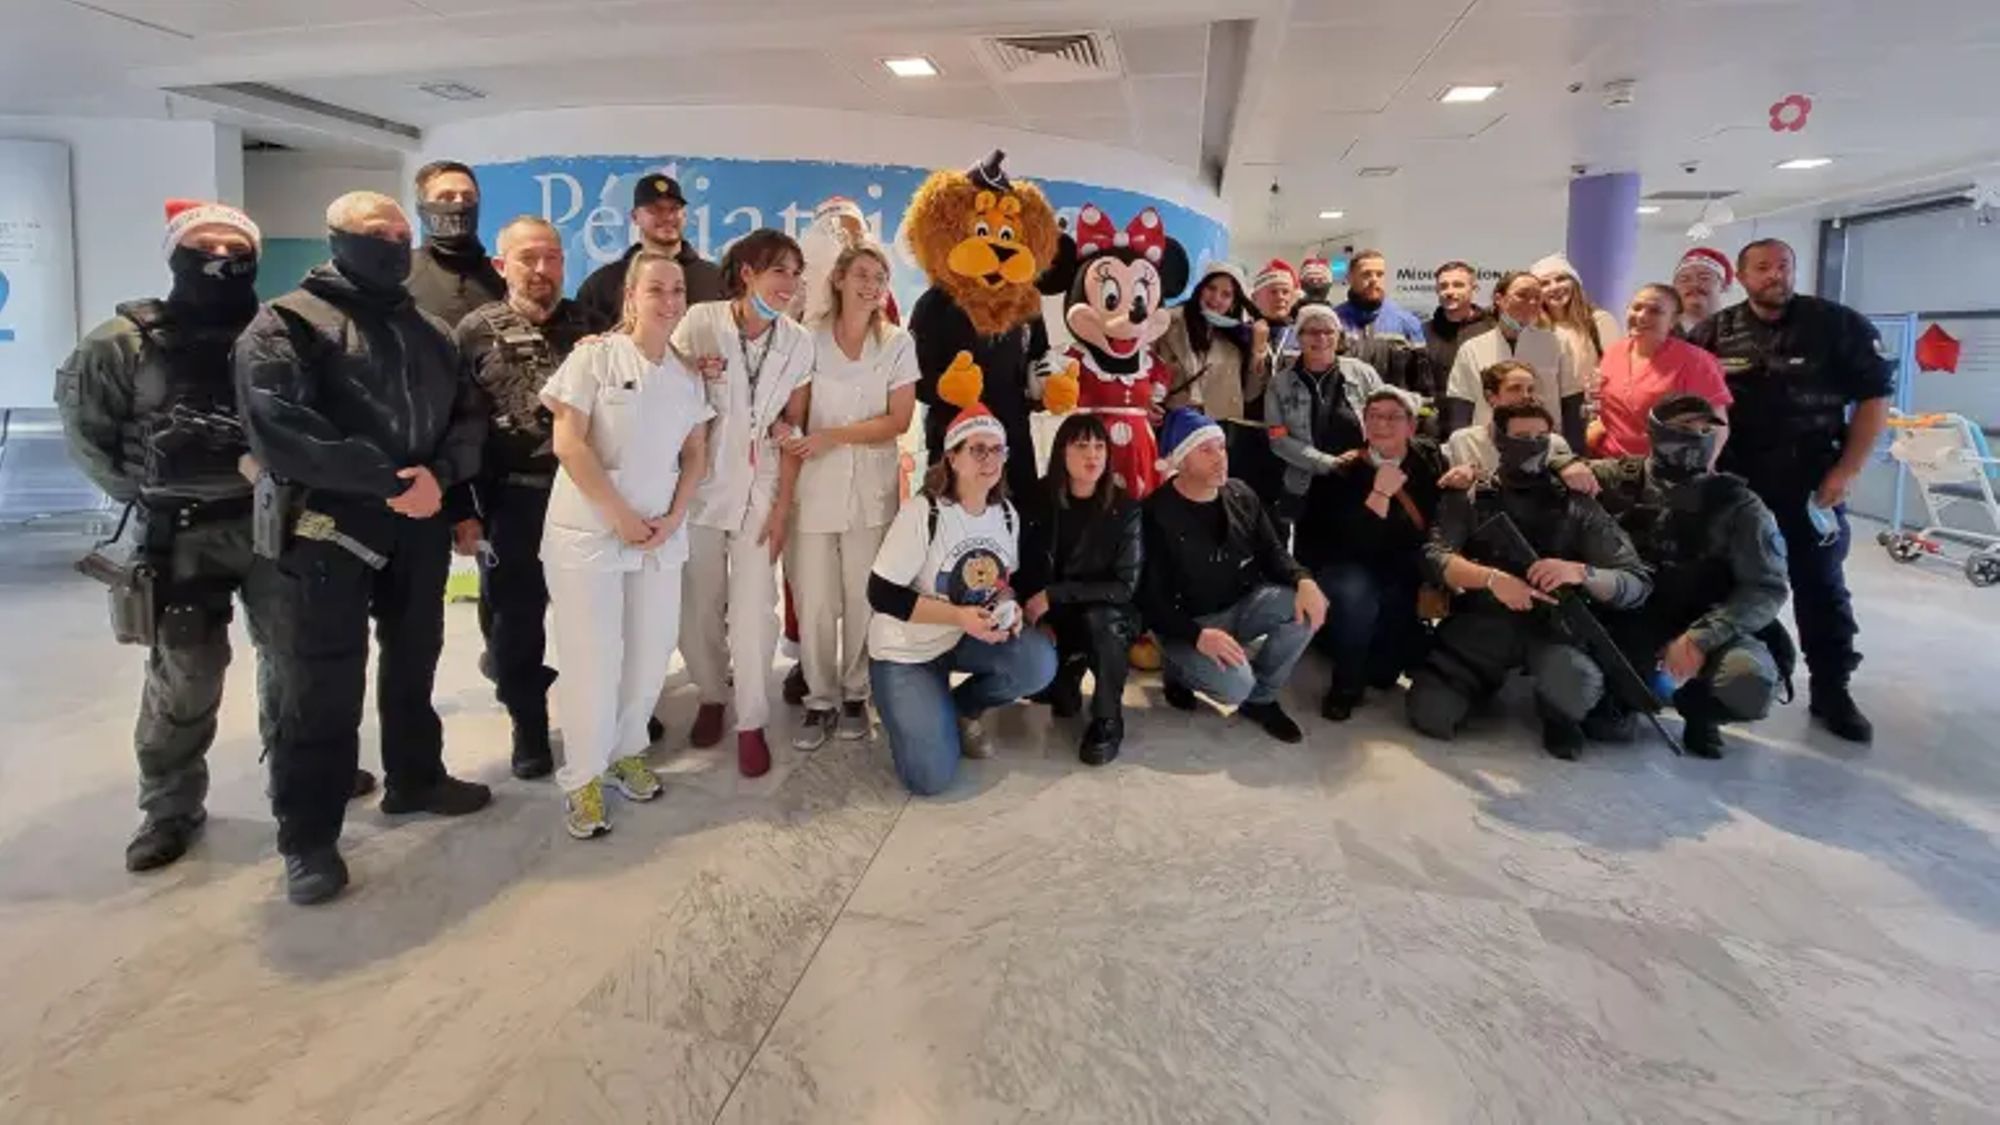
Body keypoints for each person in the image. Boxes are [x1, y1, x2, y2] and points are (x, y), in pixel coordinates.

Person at [235, 191, 491, 905]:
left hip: (419, 521)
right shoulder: (286, 323)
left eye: (402, 234)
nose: (394, 244)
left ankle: (416, 778)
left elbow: (467, 415)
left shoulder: (430, 330)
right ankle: (309, 837)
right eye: (378, 233)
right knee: (321, 684)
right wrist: (387, 481)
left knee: (415, 661)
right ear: (338, 239)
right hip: (328, 528)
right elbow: (280, 427)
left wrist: (439, 476)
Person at [54, 199, 306, 873]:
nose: (221, 260)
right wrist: (145, 491)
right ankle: (169, 808)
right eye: (205, 248)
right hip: (180, 534)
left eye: (236, 249)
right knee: (185, 673)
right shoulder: (121, 342)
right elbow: (87, 433)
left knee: (295, 661)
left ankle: (302, 780)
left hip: (272, 525)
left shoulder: (284, 332)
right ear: (175, 255)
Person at [1687, 238, 1891, 743]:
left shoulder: (1836, 325)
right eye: (1762, 267)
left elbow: (1874, 398)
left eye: (1783, 266)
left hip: (1810, 483)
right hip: (1737, 485)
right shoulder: (1714, 332)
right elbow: (1694, 405)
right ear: (1742, 276)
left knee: (1819, 586)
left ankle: (1831, 689)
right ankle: (1724, 689)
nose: (1775, 275)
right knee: (1724, 585)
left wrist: (1848, 470)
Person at [540, 250, 712, 837]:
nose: (669, 300)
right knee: (593, 658)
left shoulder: (687, 374)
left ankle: (626, 752)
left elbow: (696, 453)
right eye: (655, 289)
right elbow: (568, 443)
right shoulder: (594, 358)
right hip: (591, 532)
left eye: (677, 290)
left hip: (659, 534)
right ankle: (583, 778)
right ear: (631, 297)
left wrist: (674, 516)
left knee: (649, 652)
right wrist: (618, 516)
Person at [1407, 401, 1652, 759]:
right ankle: (1481, 686)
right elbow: (1435, 556)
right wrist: (1491, 579)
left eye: (1541, 436)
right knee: (1432, 713)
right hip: (1482, 624)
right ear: (1497, 438)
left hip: (1551, 628)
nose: (1533, 445)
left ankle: (1555, 711)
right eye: (1522, 436)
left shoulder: (1576, 504)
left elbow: (1634, 580)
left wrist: (1580, 572)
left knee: (1577, 683)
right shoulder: (1472, 494)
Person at [452, 216, 596, 779]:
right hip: (512, 501)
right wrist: (462, 510)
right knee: (516, 623)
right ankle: (529, 727)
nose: (541, 270)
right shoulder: (474, 331)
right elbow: (456, 425)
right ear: (501, 265)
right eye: (528, 258)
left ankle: (604, 712)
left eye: (552, 258)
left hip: (585, 496)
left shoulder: (590, 324)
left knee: (595, 615)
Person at [673, 229, 815, 775]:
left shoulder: (799, 342)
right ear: (748, 273)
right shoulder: (701, 322)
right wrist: (691, 371)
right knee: (698, 606)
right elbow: (661, 380)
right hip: (701, 488)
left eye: (796, 274)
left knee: (754, 609)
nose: (790, 284)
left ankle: (752, 721)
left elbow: (794, 426)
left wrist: (783, 509)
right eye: (779, 270)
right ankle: (712, 693)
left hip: (762, 487)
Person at [866, 402, 1057, 795]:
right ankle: (910, 706)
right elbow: (881, 594)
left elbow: (1002, 581)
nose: (990, 459)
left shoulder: (1005, 514)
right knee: (930, 778)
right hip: (907, 652)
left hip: (962, 639)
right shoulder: (924, 512)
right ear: (952, 458)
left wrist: (1008, 606)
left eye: (997, 449)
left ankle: (957, 708)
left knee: (1037, 662)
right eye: (978, 449)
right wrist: (958, 616)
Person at [1587, 396, 1789, 758]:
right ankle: (1625, 695)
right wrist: (1565, 463)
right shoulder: (1615, 479)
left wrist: (1701, 638)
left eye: (1705, 429)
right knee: (1601, 717)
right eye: (1684, 429)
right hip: (1630, 619)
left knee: (1749, 682)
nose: (1697, 437)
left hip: (1708, 617)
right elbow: (1539, 473)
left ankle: (1699, 710)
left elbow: (1765, 588)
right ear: (1656, 432)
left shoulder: (1739, 504)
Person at [784, 244, 919, 751]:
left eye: (880, 277)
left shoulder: (897, 343)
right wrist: (792, 435)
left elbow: (898, 420)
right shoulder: (807, 338)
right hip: (813, 489)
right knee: (815, 599)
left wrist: (833, 437)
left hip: (870, 491)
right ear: (839, 279)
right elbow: (796, 412)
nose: (871, 285)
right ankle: (819, 699)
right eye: (862, 274)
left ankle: (856, 694)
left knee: (863, 597)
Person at [1142, 408, 1329, 743]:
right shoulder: (1154, 514)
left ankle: (1262, 699)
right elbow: (1148, 599)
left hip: (1241, 604)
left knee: (1304, 608)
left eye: (1221, 447)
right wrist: (1196, 636)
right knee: (1235, 686)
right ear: (1181, 461)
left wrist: (1304, 579)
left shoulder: (1241, 494)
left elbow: (1273, 552)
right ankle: (1180, 671)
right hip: (1187, 623)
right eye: (1206, 450)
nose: (1220, 458)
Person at [1294, 388, 1447, 720]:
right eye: (1374, 416)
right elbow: (1342, 540)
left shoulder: (1428, 459)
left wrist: (1468, 475)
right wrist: (1379, 494)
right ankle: (1345, 684)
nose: (1382, 424)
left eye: (1393, 417)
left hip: (1402, 564)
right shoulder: (1343, 470)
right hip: (1348, 564)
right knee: (1356, 594)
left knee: (1383, 675)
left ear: (1411, 426)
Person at [1017, 413, 1143, 765]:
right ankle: (1067, 670)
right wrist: (1038, 617)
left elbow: (1125, 586)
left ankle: (1108, 718)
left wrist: (1055, 595)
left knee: (1103, 621)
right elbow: (1022, 567)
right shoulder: (1037, 499)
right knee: (1049, 694)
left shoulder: (1125, 508)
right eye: (1082, 445)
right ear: (1062, 452)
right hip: (1052, 618)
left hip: (1105, 615)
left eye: (1100, 446)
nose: (1093, 455)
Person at [1265, 302, 1386, 537]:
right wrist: (1328, 463)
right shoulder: (1279, 384)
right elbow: (1277, 438)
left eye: (1328, 331)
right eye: (1312, 331)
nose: (1321, 338)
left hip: (1361, 481)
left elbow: (1387, 421)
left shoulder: (1363, 373)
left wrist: (1364, 454)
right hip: (1305, 488)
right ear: (1298, 337)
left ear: (1338, 336)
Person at [1590, 283, 1731, 457]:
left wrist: (1704, 467)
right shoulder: (1613, 353)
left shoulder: (1697, 361)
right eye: (1636, 307)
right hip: (1611, 463)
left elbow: (1718, 427)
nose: (1641, 316)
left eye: (1655, 311)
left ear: (1673, 320)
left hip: (1666, 466)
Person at [1446, 271, 1584, 448]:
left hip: (1542, 445)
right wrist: (1462, 450)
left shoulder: (1555, 343)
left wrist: (1573, 452)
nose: (1531, 302)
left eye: (1537, 297)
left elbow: (1571, 403)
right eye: (1522, 295)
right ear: (1499, 299)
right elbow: (1460, 407)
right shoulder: (1472, 348)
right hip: (1487, 447)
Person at [575, 173, 724, 330]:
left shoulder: (716, 280)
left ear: (684, 215)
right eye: (655, 210)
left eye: (674, 209)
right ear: (635, 217)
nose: (667, 217)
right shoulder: (602, 285)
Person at [1442, 360, 1583, 483]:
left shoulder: (1554, 443)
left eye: (1530, 389)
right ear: (1491, 397)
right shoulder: (1464, 441)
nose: (1526, 396)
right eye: (1515, 389)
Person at [405, 160, 505, 329]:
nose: (459, 204)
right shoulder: (402, 273)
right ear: (422, 208)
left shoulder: (503, 276)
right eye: (446, 197)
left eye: (468, 198)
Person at [1531, 253, 1622, 381]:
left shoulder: (1599, 320)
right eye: (1544, 284)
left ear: (1575, 283)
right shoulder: (1534, 327)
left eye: (1561, 279)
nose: (1554, 287)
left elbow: (1616, 369)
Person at [1424, 260, 1496, 386]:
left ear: (1474, 289)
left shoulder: (1493, 329)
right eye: (1443, 286)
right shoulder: (1423, 332)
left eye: (1458, 285)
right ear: (1437, 290)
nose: (1449, 292)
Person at [1334, 249, 1426, 343]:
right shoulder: (1334, 321)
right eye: (1366, 274)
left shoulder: (1406, 322)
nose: (1374, 280)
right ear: (1350, 278)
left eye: (1379, 274)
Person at [1672, 247, 1732, 337]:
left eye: (1704, 278)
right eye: (1684, 280)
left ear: (1723, 286)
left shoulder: (1740, 330)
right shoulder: (1660, 331)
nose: (1694, 284)